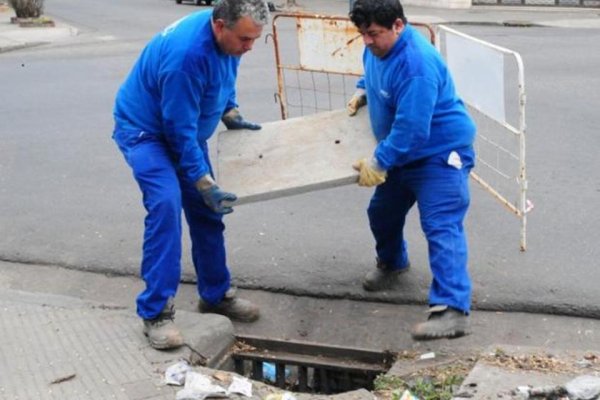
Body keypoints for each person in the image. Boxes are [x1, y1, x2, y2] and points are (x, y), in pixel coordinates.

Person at [112, 0, 269, 350]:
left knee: (208, 212)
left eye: (254, 39)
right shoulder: (186, 58)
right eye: (245, 39)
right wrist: (201, 178)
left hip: (181, 128)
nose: (249, 47)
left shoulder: (230, 35)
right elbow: (178, 128)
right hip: (146, 131)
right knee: (166, 207)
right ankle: (155, 312)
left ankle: (215, 295)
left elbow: (226, 71)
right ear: (219, 26)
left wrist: (229, 108)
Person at [348, 0, 477, 340]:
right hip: (402, 154)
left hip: (439, 153)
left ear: (399, 26)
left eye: (374, 34)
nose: (367, 41)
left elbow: (413, 129)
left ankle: (451, 310)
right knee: (382, 213)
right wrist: (363, 90)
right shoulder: (376, 48)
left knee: (441, 224)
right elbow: (373, 73)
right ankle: (392, 263)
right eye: (362, 34)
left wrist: (378, 162)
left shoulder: (415, 64)